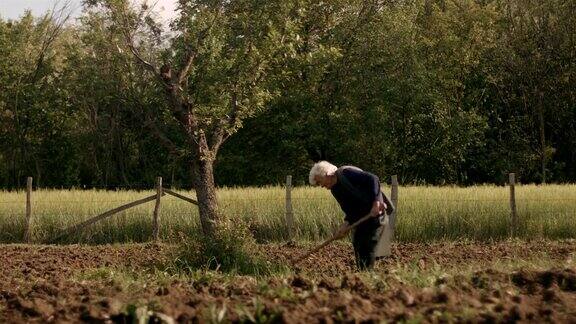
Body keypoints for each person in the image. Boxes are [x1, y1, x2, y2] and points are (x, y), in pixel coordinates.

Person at [309, 161, 394, 270]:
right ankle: (363, 273)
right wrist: (346, 224)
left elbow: (373, 178)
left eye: (320, 182)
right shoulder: (335, 190)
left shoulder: (346, 173)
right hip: (361, 216)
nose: (321, 186)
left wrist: (376, 202)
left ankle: (368, 274)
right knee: (358, 243)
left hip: (375, 212)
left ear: (326, 174)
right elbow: (349, 209)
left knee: (368, 243)